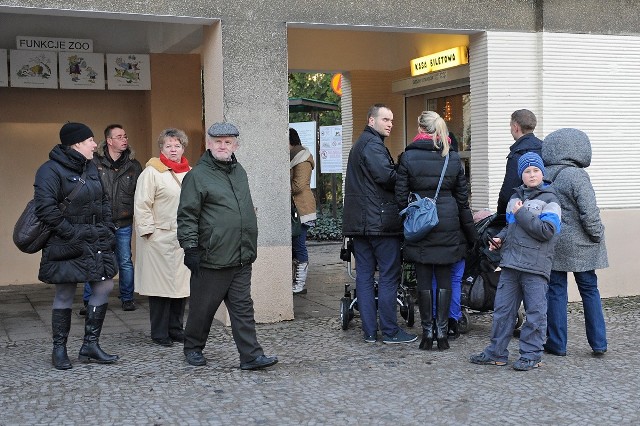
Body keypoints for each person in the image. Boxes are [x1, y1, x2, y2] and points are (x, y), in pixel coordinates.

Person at [177, 122, 278, 370]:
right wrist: (190, 248)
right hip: (212, 255)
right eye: (218, 141)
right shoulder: (197, 176)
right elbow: (187, 215)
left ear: (235, 145)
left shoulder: (239, 171)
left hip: (241, 255)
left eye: (228, 142)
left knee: (243, 308)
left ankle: (251, 356)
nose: (223, 146)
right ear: (209, 144)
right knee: (203, 308)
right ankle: (192, 348)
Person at [35, 122, 119, 370]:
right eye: (90, 140)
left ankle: (90, 345)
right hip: (66, 239)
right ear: (76, 144)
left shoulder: (91, 167)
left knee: (104, 284)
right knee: (65, 292)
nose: (95, 144)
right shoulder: (49, 170)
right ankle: (59, 350)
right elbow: (45, 208)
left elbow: (103, 199)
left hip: (96, 238)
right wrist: (71, 233)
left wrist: (107, 227)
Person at [470, 152, 561, 371]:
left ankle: (532, 355)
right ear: (521, 175)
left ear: (542, 173)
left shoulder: (551, 199)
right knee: (502, 310)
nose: (532, 175)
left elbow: (547, 231)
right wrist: (501, 238)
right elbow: (512, 227)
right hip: (511, 263)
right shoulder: (515, 197)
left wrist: (521, 213)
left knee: (535, 313)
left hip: (535, 266)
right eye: (527, 171)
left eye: (536, 170)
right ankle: (496, 352)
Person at [396, 111, 477, 350]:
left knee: (423, 280)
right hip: (448, 223)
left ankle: (426, 333)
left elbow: (401, 199)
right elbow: (463, 201)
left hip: (421, 225)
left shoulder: (408, 157)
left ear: (420, 129)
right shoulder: (451, 158)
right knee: (444, 279)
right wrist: (472, 234)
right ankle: (442, 335)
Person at [343, 104, 417, 344]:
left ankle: (369, 332)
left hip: (363, 224)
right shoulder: (372, 145)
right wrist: (403, 172)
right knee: (388, 276)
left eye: (392, 120)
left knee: (364, 276)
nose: (390, 124)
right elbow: (386, 177)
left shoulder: (362, 144)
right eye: (385, 119)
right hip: (379, 223)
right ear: (371, 120)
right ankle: (389, 330)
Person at [542, 128, 609, 357]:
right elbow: (589, 213)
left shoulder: (543, 174)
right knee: (589, 290)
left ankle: (557, 343)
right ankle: (598, 343)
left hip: (554, 241)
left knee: (556, 292)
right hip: (582, 245)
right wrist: (597, 235)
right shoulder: (577, 175)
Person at [134, 128, 191, 347]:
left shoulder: (190, 171)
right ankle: (159, 333)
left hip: (182, 238)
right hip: (158, 238)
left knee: (180, 287)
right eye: (169, 146)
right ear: (162, 149)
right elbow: (142, 203)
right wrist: (149, 231)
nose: (173, 149)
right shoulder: (152, 172)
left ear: (183, 148)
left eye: (177, 145)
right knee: (160, 289)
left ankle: (176, 329)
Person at [81, 124, 142, 313]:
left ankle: (127, 298)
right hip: (99, 221)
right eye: (119, 136)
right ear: (109, 140)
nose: (124, 139)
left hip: (123, 221)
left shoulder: (134, 164)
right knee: (95, 259)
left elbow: (140, 193)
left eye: (125, 136)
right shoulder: (93, 162)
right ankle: (89, 300)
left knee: (124, 260)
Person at [497, 109, 543, 216]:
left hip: (521, 213)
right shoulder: (544, 148)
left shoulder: (518, 153)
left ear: (516, 127)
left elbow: (508, 191)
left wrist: (500, 216)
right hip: (544, 210)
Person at [289, 127, 317, 295]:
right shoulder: (292, 157)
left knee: (299, 245)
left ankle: (300, 283)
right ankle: (295, 281)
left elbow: (299, 185)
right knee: (294, 245)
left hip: (302, 208)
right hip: (295, 208)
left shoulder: (302, 158)